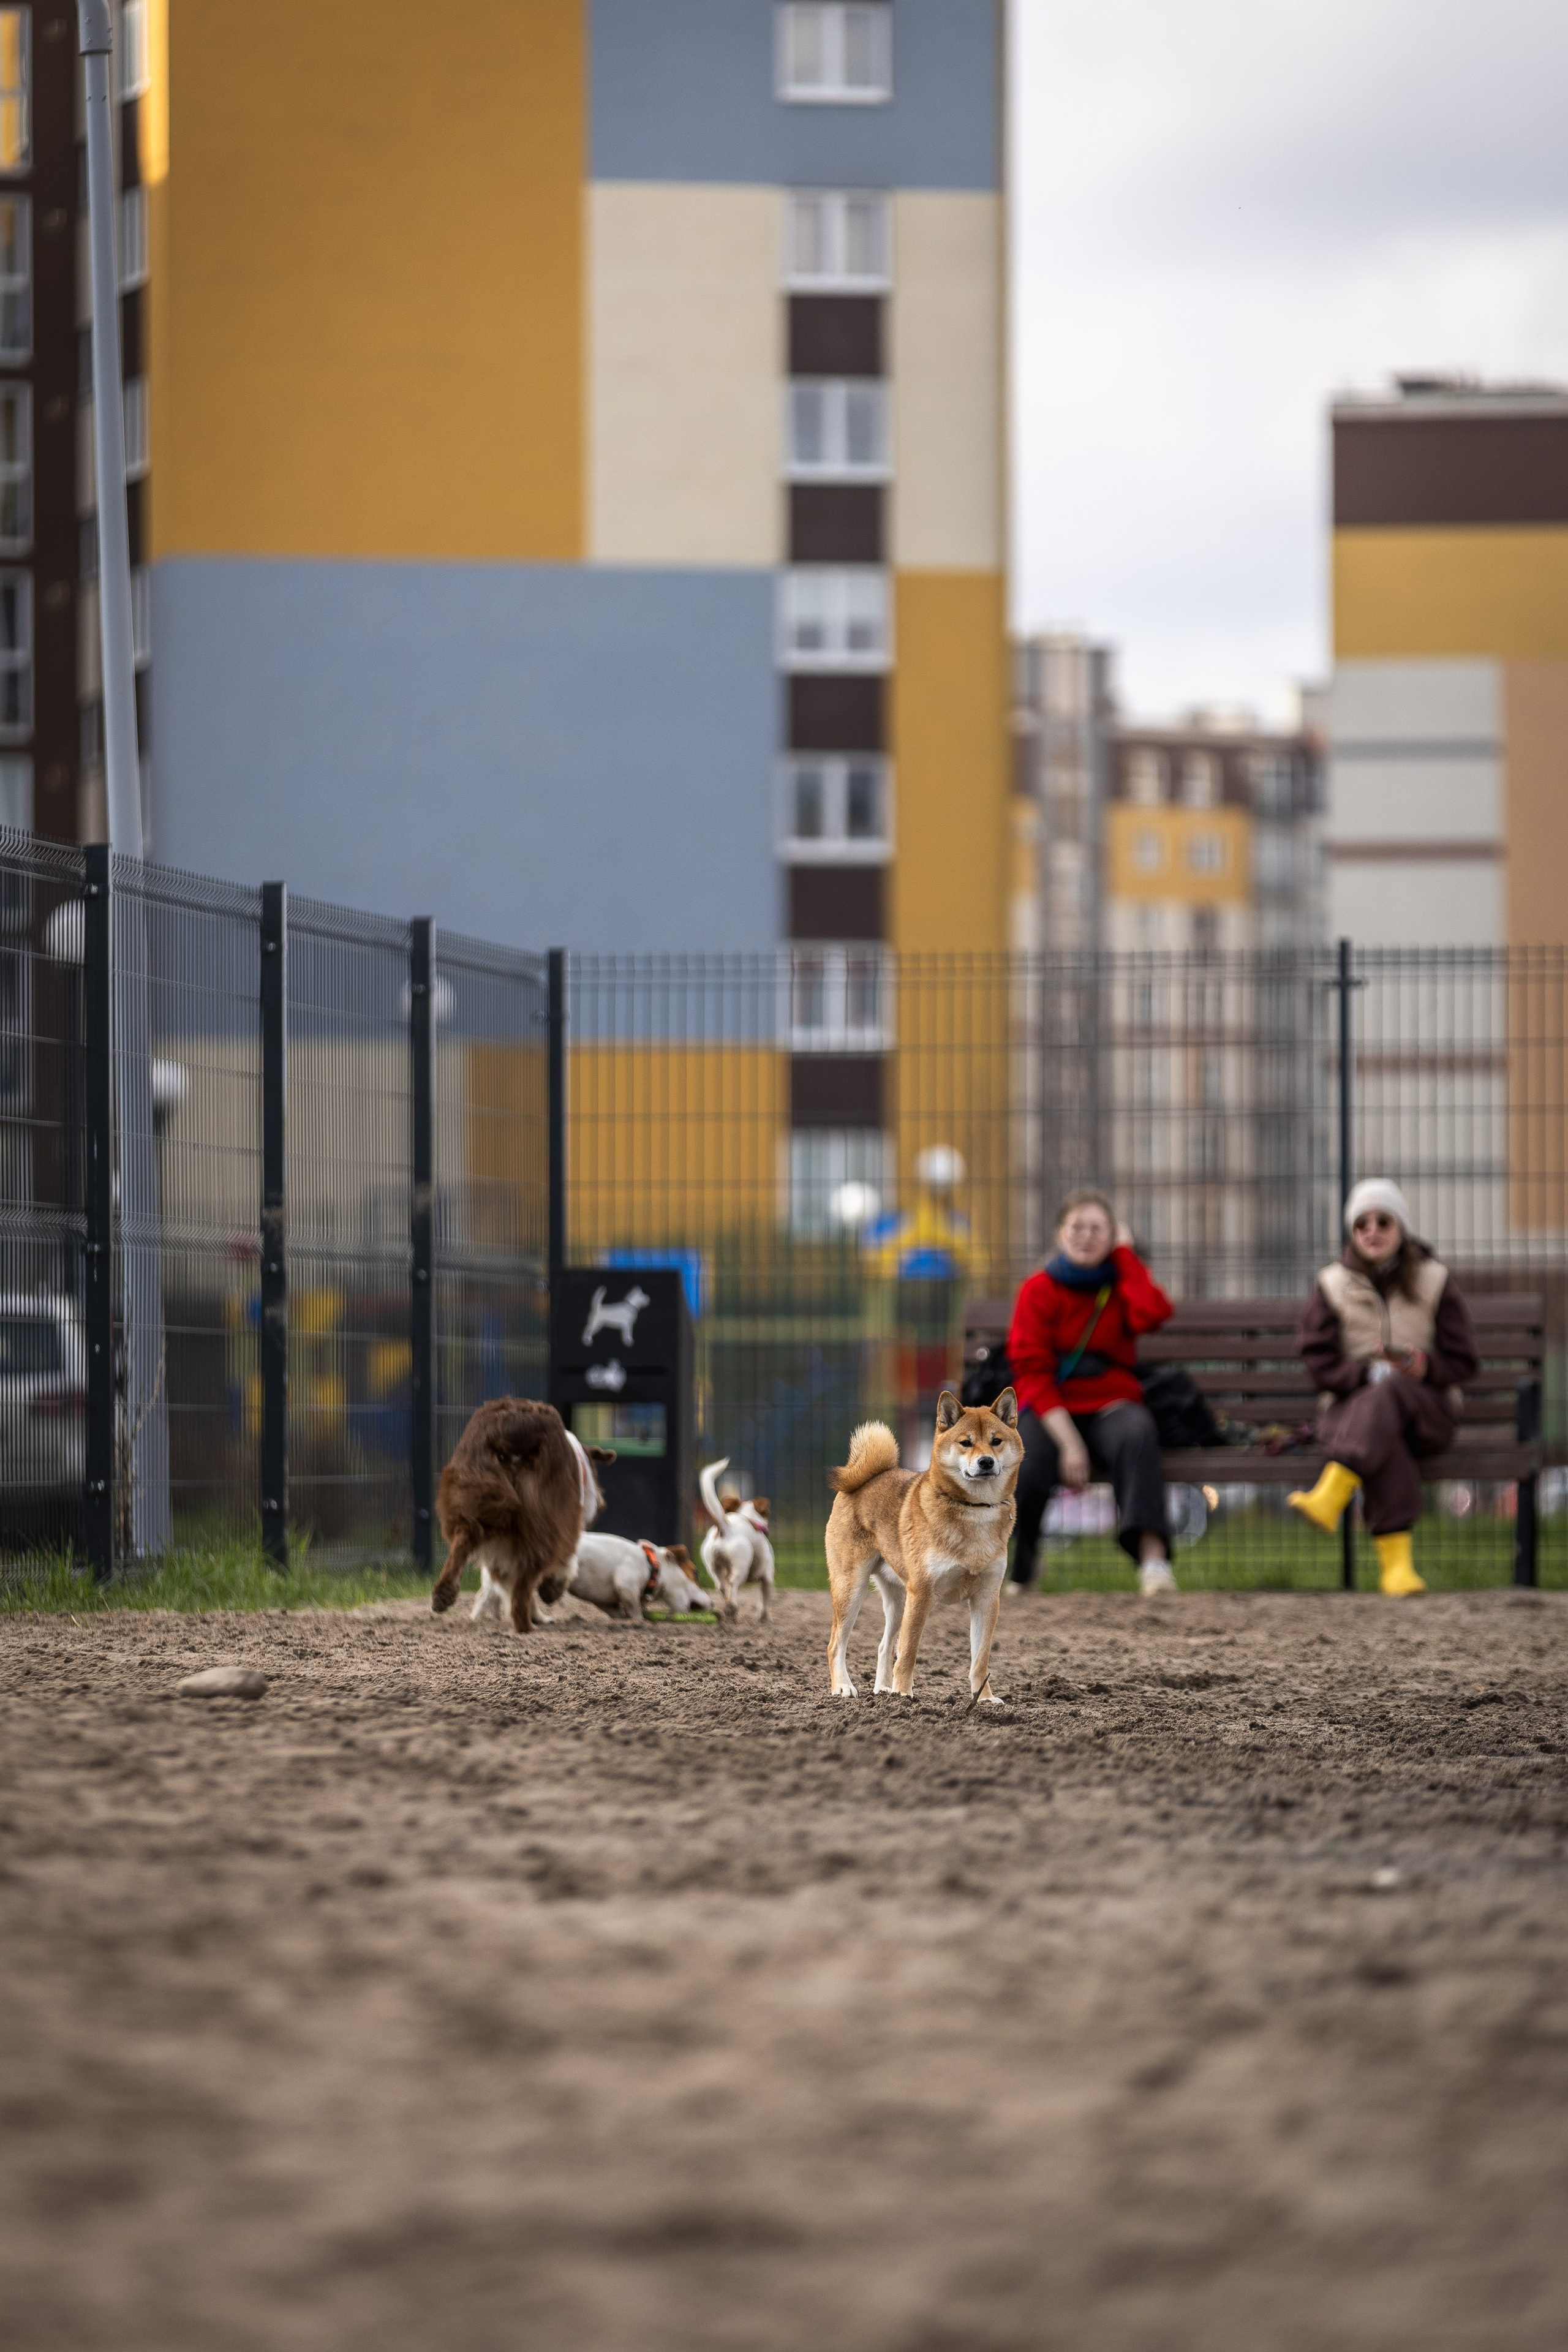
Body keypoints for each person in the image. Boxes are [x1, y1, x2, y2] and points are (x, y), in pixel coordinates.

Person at [1289, 1177, 1479, 1596]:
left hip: (1426, 1412)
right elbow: (1318, 1361)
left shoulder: (1435, 1280)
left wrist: (1422, 1367)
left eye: (1383, 1221)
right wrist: (1365, 1375)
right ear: (1352, 1233)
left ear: (1402, 1227)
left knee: (1392, 1392)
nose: (1372, 1231)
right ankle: (1397, 1570)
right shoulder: (1331, 1284)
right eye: (1361, 1225)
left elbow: (1464, 1362)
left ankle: (1332, 1493)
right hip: (1352, 1411)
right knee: (1382, 1427)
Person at [1005, 1189, 1178, 1596]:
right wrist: (1070, 1445)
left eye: (1098, 1229)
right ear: (1059, 1235)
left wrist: (1126, 1258)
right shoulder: (1038, 1290)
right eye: (1077, 1228)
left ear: (1114, 1236)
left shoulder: (1122, 1283)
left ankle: (1154, 1561)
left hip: (1111, 1400)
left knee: (1138, 1433)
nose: (1086, 1236)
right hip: (1052, 1405)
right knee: (1025, 1459)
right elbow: (1031, 1372)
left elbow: (1154, 1313)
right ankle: (1024, 1565)